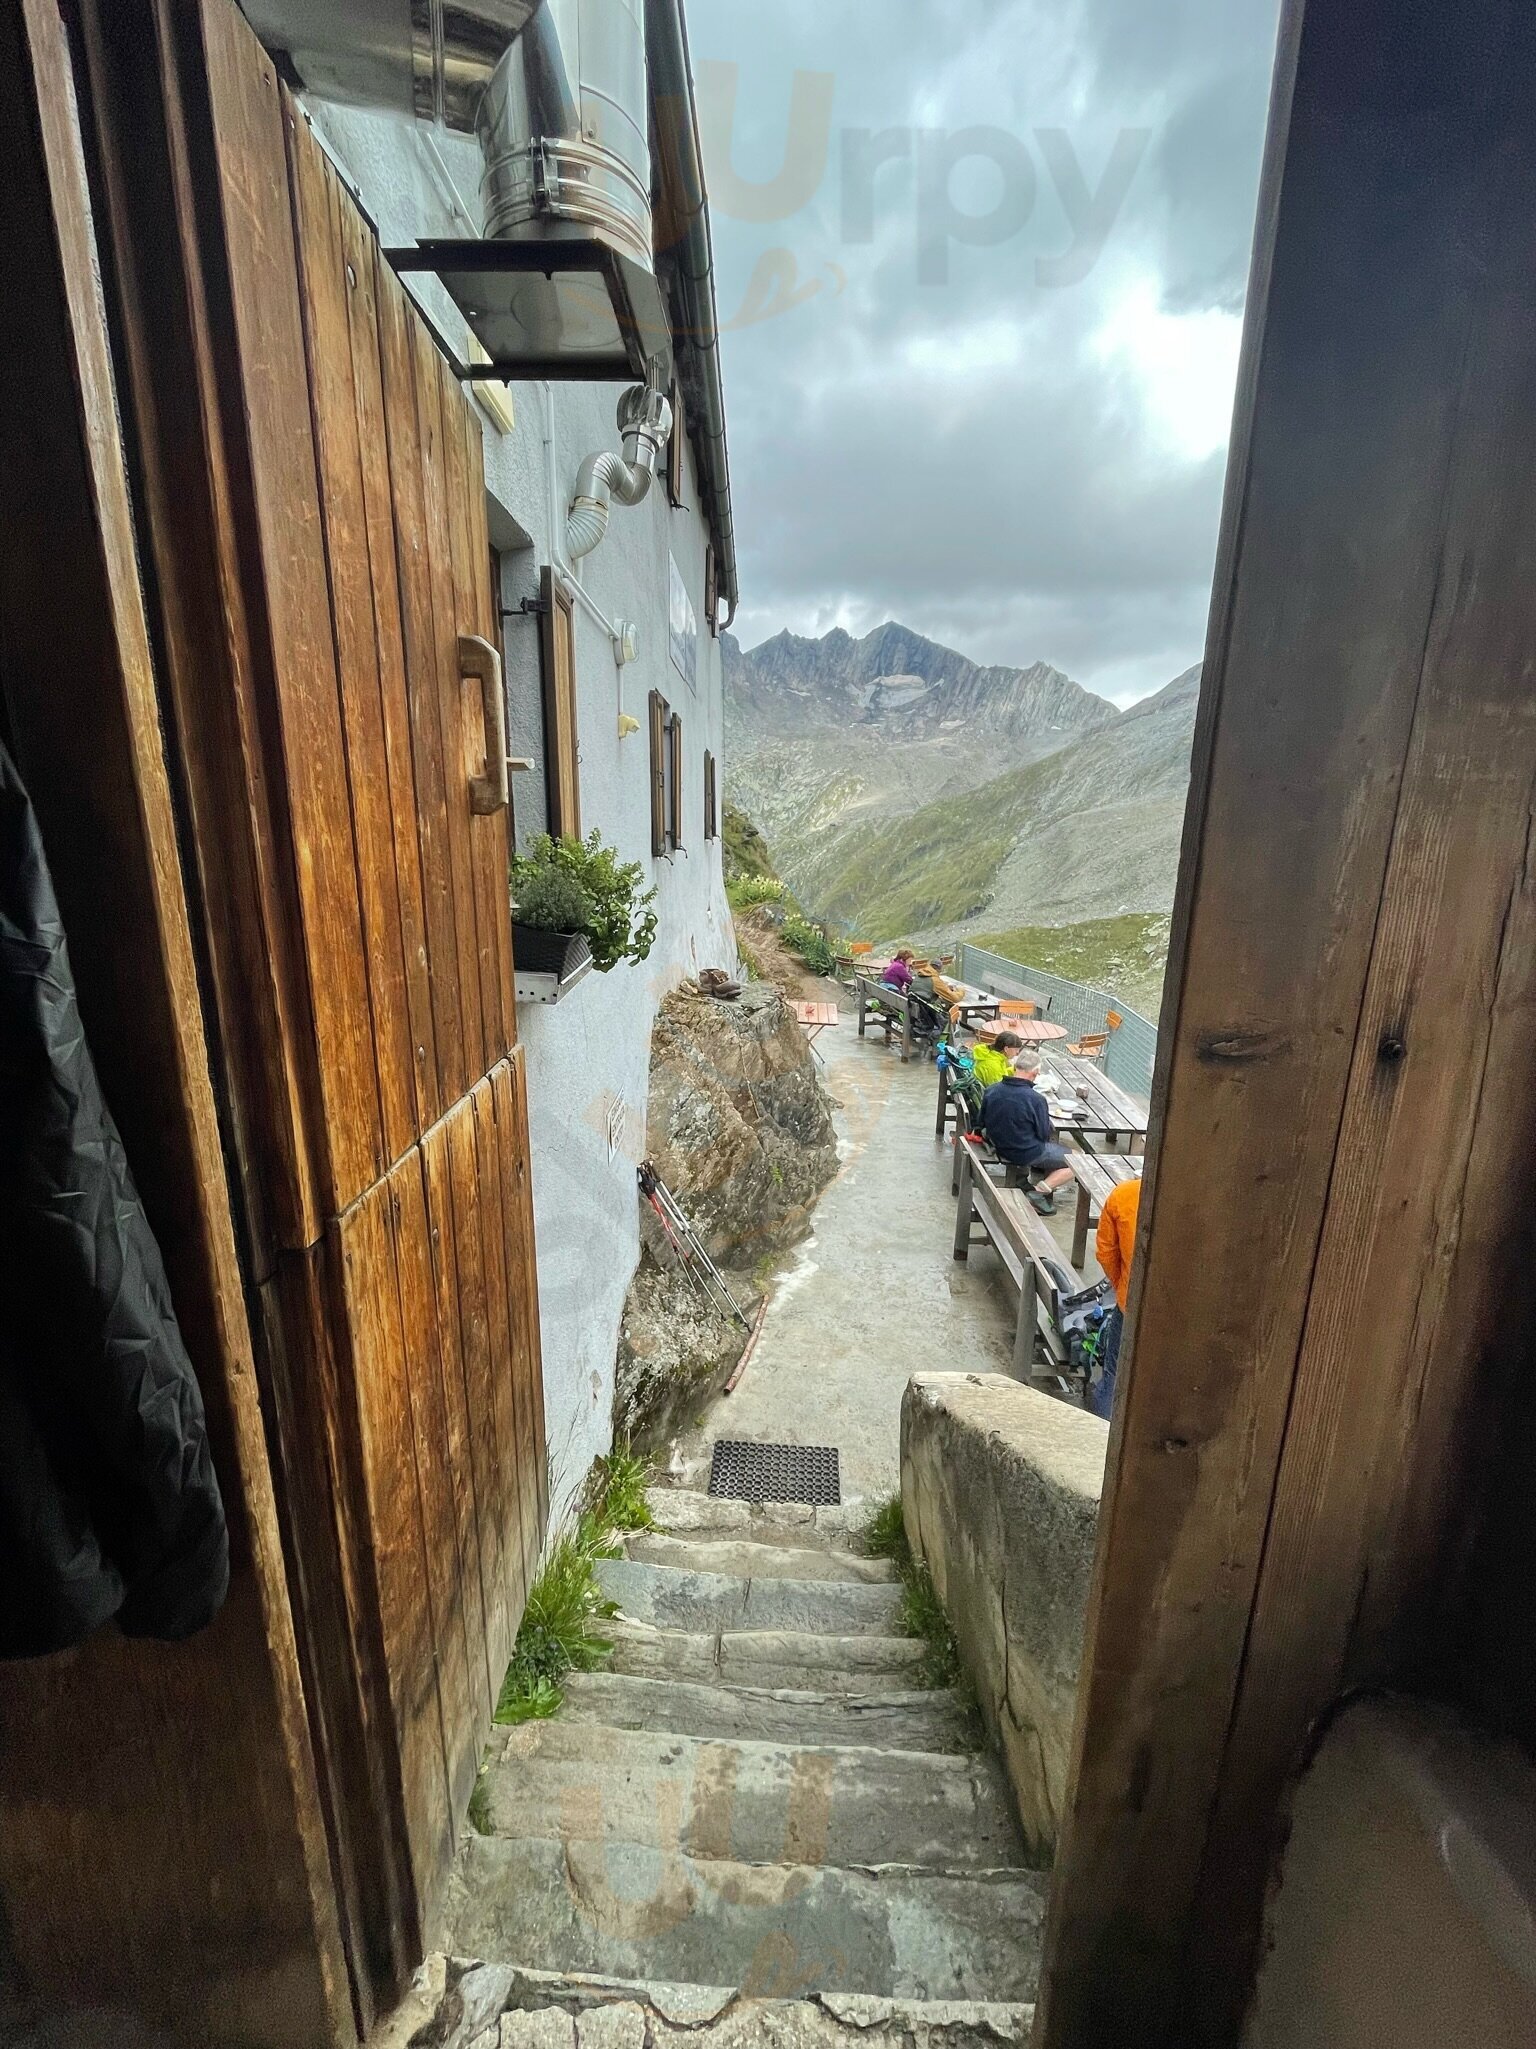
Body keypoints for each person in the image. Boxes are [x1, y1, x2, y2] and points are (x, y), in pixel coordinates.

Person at [980, 1058, 1075, 1214]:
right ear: (1035, 1073)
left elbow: (981, 1121)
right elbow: (1043, 1134)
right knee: (1078, 1160)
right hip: (1024, 1152)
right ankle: (1038, 1192)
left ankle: (1024, 1180)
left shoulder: (991, 1090)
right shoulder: (1036, 1099)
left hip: (998, 1145)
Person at [1091, 1174, 1142, 1418]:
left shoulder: (1125, 1195)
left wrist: (1123, 1286)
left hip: (1130, 1305)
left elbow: (1106, 1253)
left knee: (1114, 1376)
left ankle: (1101, 1435)